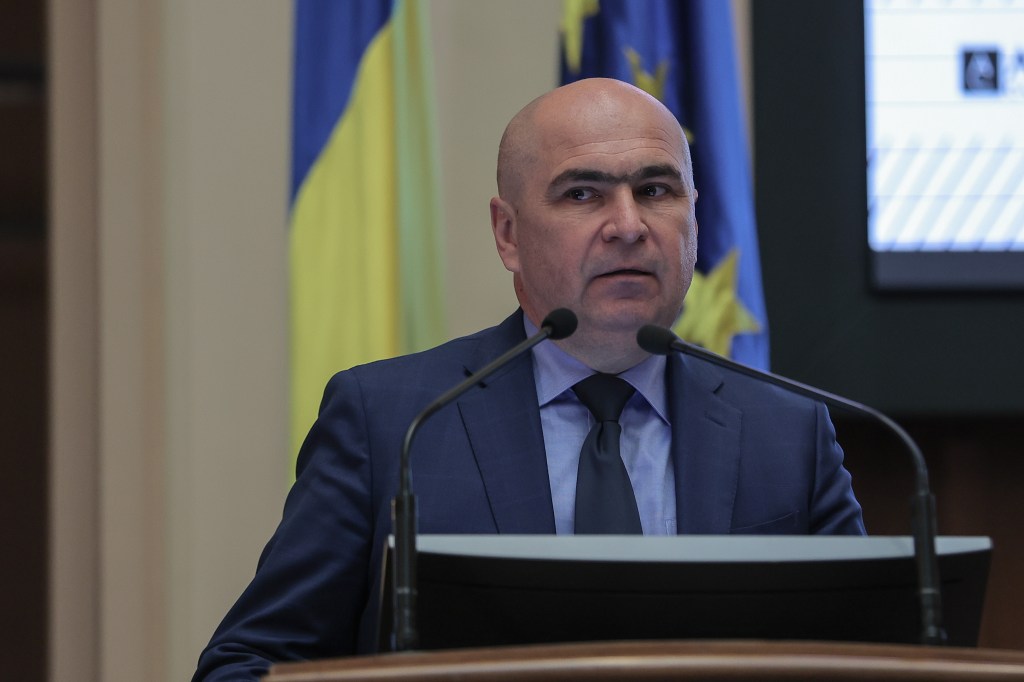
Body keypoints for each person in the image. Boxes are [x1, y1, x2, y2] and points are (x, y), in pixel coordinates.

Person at [192, 78, 864, 681]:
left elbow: (877, 659)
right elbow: (244, 665)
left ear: (693, 216)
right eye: (583, 194)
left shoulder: (788, 433)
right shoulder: (393, 424)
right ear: (508, 234)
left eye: (655, 191)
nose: (628, 226)